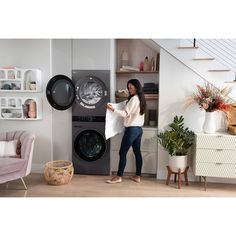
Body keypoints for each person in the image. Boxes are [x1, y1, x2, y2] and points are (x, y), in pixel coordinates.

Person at [106, 79, 146, 184]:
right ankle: (138, 176)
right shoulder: (141, 99)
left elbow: (125, 113)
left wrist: (112, 109)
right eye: (128, 88)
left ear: (136, 87)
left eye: (131, 88)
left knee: (122, 152)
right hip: (138, 130)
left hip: (132, 130)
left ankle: (119, 176)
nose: (129, 90)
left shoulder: (134, 99)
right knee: (137, 152)